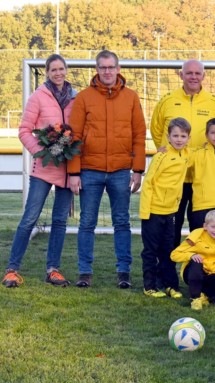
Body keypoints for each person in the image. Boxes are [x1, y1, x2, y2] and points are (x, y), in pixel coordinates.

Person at [68, 50, 146, 288]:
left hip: (121, 170)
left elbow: (139, 135)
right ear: (97, 69)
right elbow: (74, 136)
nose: (107, 71)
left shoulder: (131, 97)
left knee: (122, 222)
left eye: (111, 67)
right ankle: (85, 272)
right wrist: (73, 172)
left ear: (118, 69)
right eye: (102, 67)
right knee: (87, 222)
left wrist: (138, 170)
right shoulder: (83, 98)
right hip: (89, 170)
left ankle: (124, 272)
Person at [2, 54, 76, 288]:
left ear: (66, 70)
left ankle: (53, 270)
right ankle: (12, 270)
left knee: (60, 221)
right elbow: (24, 130)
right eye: (53, 69)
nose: (58, 73)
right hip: (43, 170)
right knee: (29, 218)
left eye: (61, 68)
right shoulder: (38, 97)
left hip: (66, 170)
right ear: (46, 72)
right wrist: (41, 152)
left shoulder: (75, 98)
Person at [150, 59, 215, 246]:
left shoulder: (213, 103)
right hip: (175, 176)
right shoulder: (167, 101)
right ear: (181, 75)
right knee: (171, 226)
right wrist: (167, 151)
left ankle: (198, 270)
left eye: (197, 73)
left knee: (200, 226)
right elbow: (157, 130)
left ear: (203, 76)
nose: (193, 77)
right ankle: (168, 272)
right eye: (189, 73)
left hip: (202, 175)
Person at [139, 118, 192, 298]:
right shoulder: (160, 156)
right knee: (151, 250)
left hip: (171, 211)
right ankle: (150, 286)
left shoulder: (186, 155)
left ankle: (170, 285)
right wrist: (145, 212)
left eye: (183, 136)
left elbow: (203, 154)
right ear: (168, 137)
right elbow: (148, 184)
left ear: (188, 138)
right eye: (175, 135)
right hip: (153, 211)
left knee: (169, 249)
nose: (179, 139)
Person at [171, 210, 215, 311]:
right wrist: (191, 255)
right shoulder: (196, 236)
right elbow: (174, 255)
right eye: (213, 226)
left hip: (211, 272)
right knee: (197, 261)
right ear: (205, 226)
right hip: (192, 271)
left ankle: (204, 293)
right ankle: (195, 298)